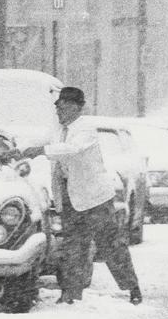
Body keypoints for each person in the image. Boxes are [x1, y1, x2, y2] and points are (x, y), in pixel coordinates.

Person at [21, 86, 142, 305]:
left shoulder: (86, 129)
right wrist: (20, 151)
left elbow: (71, 149)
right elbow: (44, 143)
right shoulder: (58, 130)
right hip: (69, 196)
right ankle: (70, 293)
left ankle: (132, 287)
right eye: (57, 106)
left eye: (62, 106)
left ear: (75, 107)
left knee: (111, 245)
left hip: (95, 199)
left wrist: (41, 151)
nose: (58, 110)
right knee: (73, 247)